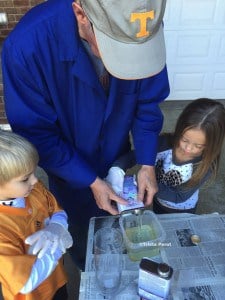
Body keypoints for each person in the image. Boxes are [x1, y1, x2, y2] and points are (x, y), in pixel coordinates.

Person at [1, 0, 170, 269]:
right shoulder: (27, 47)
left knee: (118, 221)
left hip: (116, 152)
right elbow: (36, 131)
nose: (130, 63)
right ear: (81, 13)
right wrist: (88, 179)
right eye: (119, 49)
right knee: (80, 228)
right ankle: (85, 264)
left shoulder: (140, 25)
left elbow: (147, 102)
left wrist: (147, 162)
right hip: (69, 166)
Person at [106, 98, 225, 214]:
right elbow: (134, 156)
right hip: (158, 202)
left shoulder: (205, 165)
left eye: (198, 146)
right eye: (184, 140)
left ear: (212, 144)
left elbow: (178, 196)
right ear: (179, 129)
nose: (188, 148)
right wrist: (117, 168)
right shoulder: (163, 142)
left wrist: (146, 184)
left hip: (183, 211)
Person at [0, 130, 73, 300]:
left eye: (34, 172)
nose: (35, 180)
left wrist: (57, 227)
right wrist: (56, 249)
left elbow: (57, 210)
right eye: (25, 178)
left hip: (57, 279)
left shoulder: (33, 191)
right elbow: (25, 283)